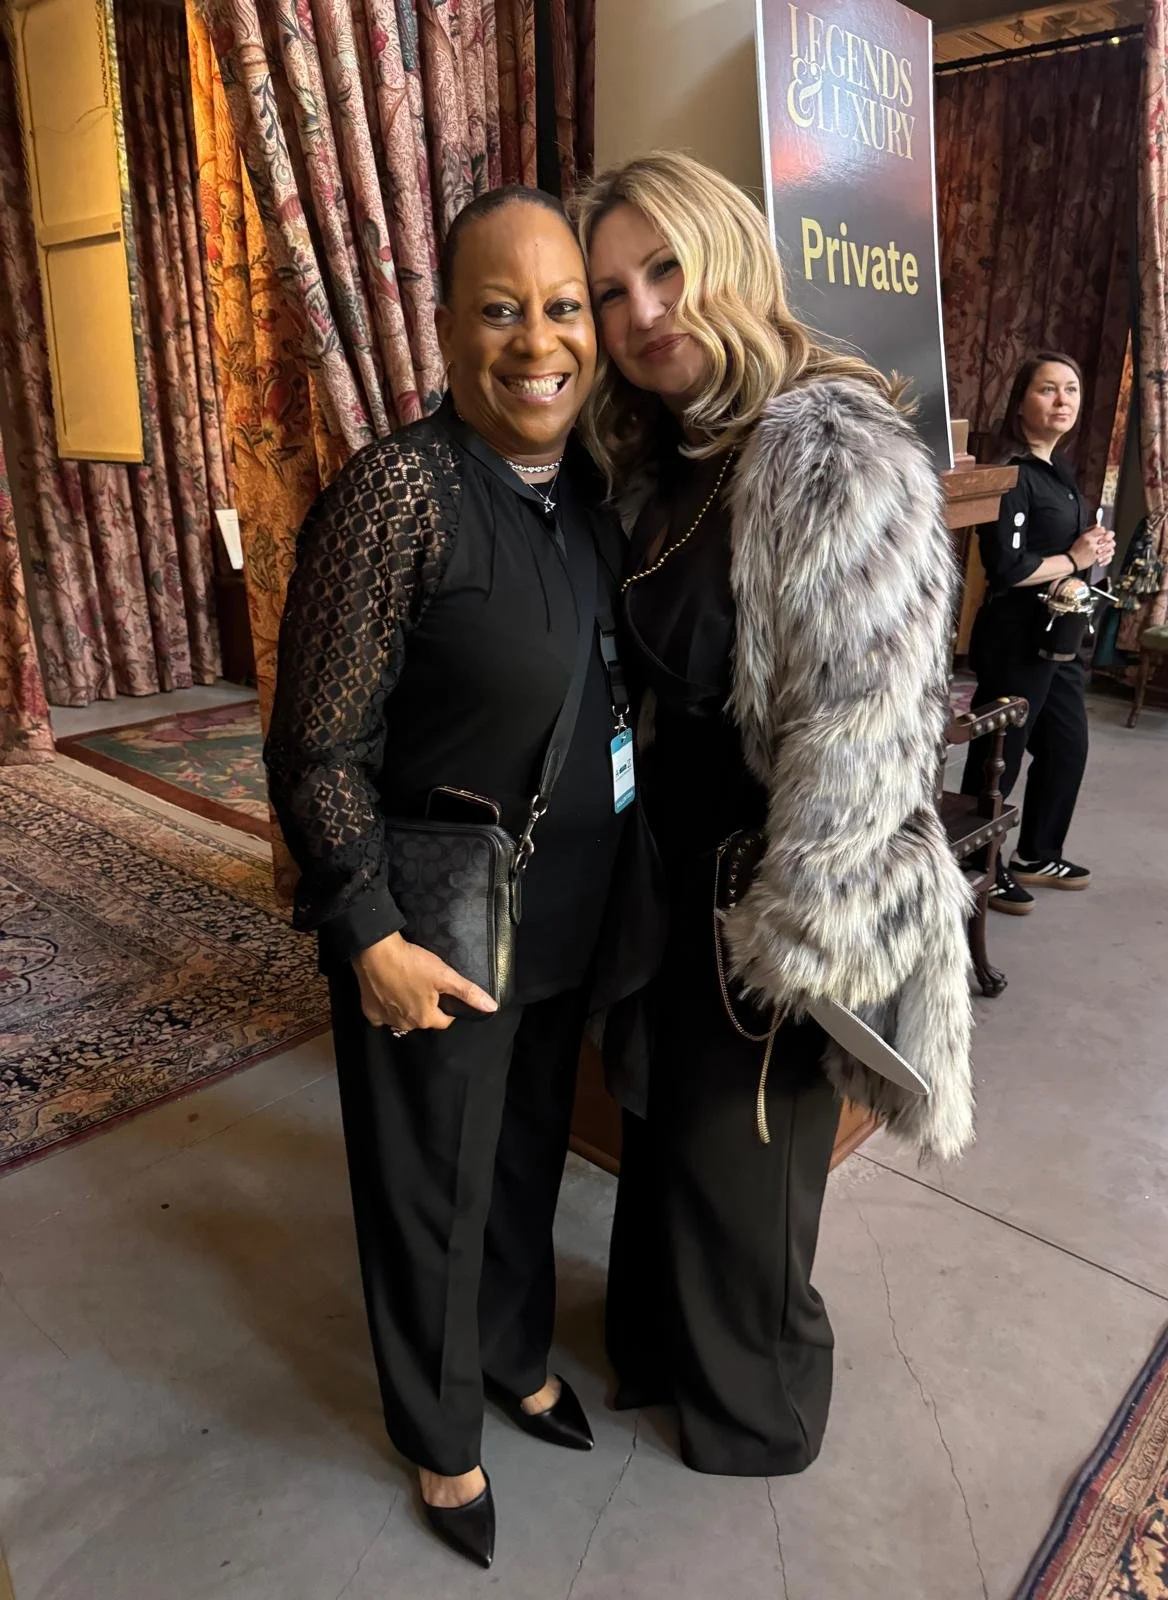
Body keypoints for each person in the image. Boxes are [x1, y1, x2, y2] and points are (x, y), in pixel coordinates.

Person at [574, 152, 975, 1477]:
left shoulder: (830, 443)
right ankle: (658, 1358)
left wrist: (791, 933)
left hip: (777, 879)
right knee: (662, 1135)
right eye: (612, 290)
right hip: (667, 864)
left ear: (731, 253)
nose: (642, 312)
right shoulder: (665, 449)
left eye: (666, 269)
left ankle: (758, 1417)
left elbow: (869, 722)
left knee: (740, 1163)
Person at [264, 187, 630, 1570]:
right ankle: (438, 1430)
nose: (535, 341)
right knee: (428, 1179)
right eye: (498, 308)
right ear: (446, 325)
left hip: (568, 913)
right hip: (434, 924)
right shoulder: (399, 492)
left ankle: (513, 1349)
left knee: (526, 1156)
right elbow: (316, 743)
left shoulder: (590, 491)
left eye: (559, 307)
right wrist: (363, 928)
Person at [962, 353, 1115, 914]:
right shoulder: (1011, 473)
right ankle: (979, 863)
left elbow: (1066, 558)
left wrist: (1090, 553)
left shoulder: (1060, 471)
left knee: (1068, 746)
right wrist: (1074, 557)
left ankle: (1037, 853)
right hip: (1018, 635)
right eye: (1047, 389)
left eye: (1071, 390)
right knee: (1004, 749)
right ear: (1020, 399)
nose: (1062, 400)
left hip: (1063, 633)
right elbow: (1007, 567)